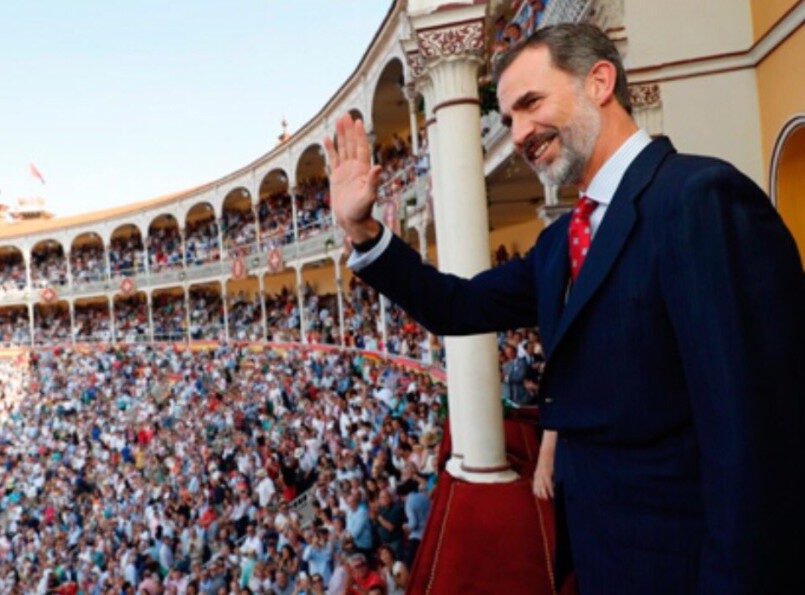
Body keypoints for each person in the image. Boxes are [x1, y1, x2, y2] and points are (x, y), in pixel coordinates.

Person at [324, 22, 803, 595]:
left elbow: (756, 439)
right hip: (601, 562)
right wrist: (364, 231)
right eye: (508, 119)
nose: (519, 133)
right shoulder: (559, 243)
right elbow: (457, 305)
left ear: (600, 82)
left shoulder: (700, 198)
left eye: (531, 104)